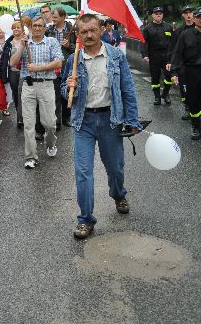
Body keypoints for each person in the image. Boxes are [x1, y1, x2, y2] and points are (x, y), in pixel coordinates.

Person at [61, 14, 142, 239]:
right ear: (78, 34)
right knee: (83, 172)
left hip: (110, 120)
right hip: (83, 121)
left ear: (101, 31)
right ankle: (86, 219)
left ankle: (118, 194)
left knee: (115, 168)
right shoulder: (73, 60)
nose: (88, 35)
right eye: (83, 31)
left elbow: (127, 89)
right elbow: (64, 93)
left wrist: (132, 120)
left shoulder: (115, 56)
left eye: (92, 30)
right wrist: (69, 86)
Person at [9, 16, 63, 169]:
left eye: (40, 26)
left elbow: (58, 62)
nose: (37, 28)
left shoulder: (52, 42)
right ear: (30, 27)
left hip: (46, 85)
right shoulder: (24, 43)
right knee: (29, 124)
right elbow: (12, 63)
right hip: (28, 86)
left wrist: (38, 68)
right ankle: (31, 156)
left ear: (44, 28)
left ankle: (50, 143)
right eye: (35, 26)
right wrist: (21, 46)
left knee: (50, 123)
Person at [171, 7, 201, 146]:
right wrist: (174, 72)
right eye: (198, 17)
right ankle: (196, 128)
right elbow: (177, 54)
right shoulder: (185, 35)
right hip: (190, 72)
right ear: (194, 19)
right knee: (193, 102)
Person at [45, 6, 75, 128]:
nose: (53, 19)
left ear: (63, 17)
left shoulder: (72, 30)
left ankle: (66, 117)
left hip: (67, 65)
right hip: (54, 66)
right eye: (53, 17)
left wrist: (69, 46)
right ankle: (57, 121)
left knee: (66, 93)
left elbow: (78, 49)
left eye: (56, 17)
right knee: (55, 94)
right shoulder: (49, 30)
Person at [167, 6, 196, 121]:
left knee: (198, 88)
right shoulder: (178, 31)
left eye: (191, 13)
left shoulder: (199, 29)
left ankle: (198, 108)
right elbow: (173, 49)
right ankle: (187, 108)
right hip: (183, 65)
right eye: (186, 13)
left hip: (197, 65)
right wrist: (170, 63)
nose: (189, 15)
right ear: (183, 15)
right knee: (184, 88)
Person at [141, 6, 174, 105]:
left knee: (169, 76)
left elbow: (173, 43)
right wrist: (145, 55)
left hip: (167, 56)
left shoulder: (168, 27)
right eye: (156, 14)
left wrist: (173, 56)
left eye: (160, 13)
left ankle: (166, 94)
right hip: (154, 56)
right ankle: (157, 97)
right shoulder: (147, 28)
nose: (158, 15)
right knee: (155, 77)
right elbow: (144, 42)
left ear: (162, 15)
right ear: (153, 15)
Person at [0, 21, 25, 127]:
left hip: (25, 72)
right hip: (13, 72)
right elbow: (4, 59)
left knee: (24, 95)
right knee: (16, 94)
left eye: (18, 27)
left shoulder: (27, 40)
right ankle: (20, 117)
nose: (16, 29)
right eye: (14, 28)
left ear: (22, 29)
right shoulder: (8, 43)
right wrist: (2, 72)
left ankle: (24, 116)